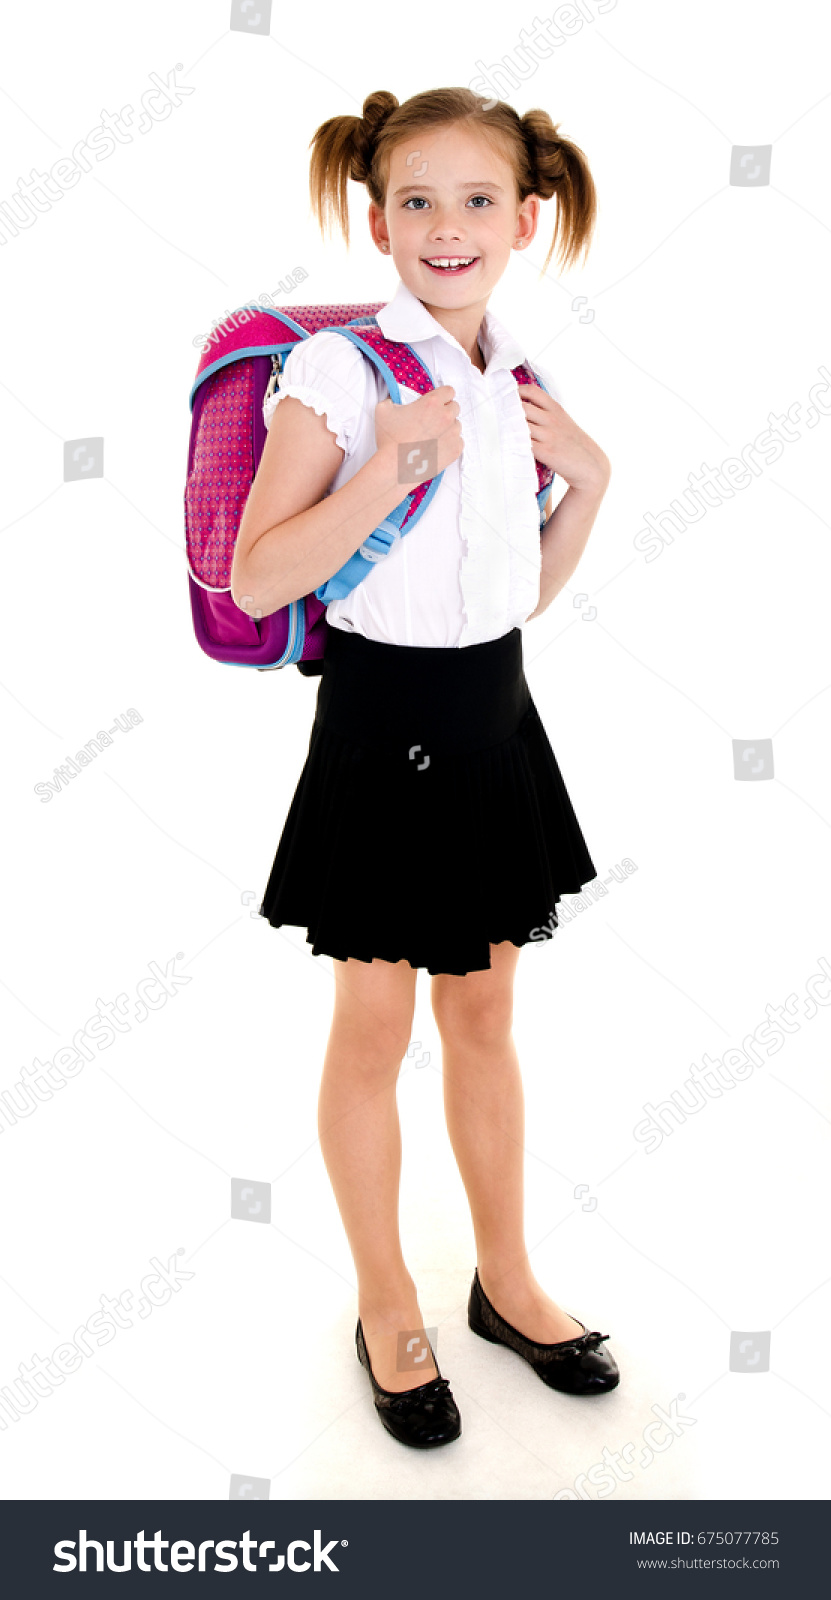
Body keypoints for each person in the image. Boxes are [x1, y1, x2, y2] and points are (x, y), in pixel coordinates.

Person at [231, 87, 617, 1450]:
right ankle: (386, 1301)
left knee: (485, 1018)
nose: (445, 229)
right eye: (415, 201)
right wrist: (384, 475)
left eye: (474, 202)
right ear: (378, 219)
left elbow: (513, 598)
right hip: (384, 719)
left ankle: (505, 1285)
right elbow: (258, 569)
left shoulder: (519, 379)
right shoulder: (348, 375)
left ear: (527, 218)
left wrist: (593, 487)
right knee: (375, 1028)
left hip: (494, 714)